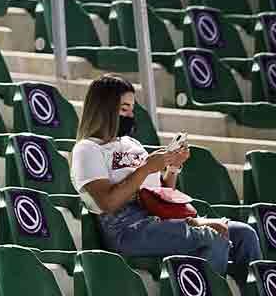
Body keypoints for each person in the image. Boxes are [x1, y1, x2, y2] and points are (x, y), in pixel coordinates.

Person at [71, 75, 260, 284]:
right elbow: (107, 203)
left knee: (244, 234)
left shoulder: (132, 144)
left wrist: (173, 166)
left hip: (159, 220)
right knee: (211, 237)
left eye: (132, 109)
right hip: (126, 229)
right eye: (124, 109)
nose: (131, 115)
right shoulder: (87, 149)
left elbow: (161, 196)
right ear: (103, 109)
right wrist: (146, 168)